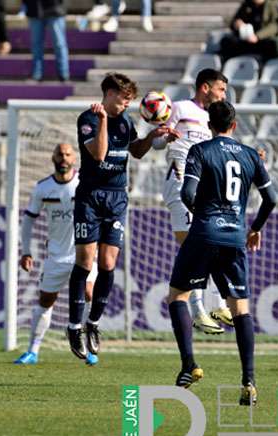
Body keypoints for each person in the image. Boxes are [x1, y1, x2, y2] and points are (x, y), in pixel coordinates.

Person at [167, 100, 276, 406]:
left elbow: (187, 193)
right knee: (240, 308)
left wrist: (201, 215)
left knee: (177, 296)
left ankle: (189, 365)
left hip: (203, 233)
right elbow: (271, 199)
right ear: (235, 125)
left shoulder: (200, 151)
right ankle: (249, 382)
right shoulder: (251, 155)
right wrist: (255, 228)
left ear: (208, 125)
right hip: (235, 237)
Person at [66, 73, 176, 360]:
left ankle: (93, 323)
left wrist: (152, 136)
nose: (128, 104)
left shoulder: (126, 122)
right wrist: (103, 121)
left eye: (130, 99)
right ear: (110, 93)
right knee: (85, 260)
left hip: (117, 198)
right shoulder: (88, 119)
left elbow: (136, 153)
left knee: (108, 262)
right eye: (124, 98)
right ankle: (74, 325)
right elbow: (99, 155)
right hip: (90, 196)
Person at [153, 68, 234, 335]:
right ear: (205, 87)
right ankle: (199, 311)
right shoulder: (179, 108)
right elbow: (157, 143)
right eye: (221, 89)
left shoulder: (212, 120)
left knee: (207, 246)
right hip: (179, 183)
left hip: (202, 187)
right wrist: (166, 137)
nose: (224, 95)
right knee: (196, 248)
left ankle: (217, 304)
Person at [15, 143, 98, 366]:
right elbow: (28, 220)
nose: (63, 158)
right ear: (53, 157)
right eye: (59, 154)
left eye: (68, 154)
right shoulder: (42, 188)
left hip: (84, 254)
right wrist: (26, 251)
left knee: (90, 292)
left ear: (74, 158)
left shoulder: (85, 182)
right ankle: (33, 351)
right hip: (56, 256)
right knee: (46, 301)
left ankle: (90, 348)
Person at [24, 0, 68, 82]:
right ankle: (37, 74)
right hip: (34, 9)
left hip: (55, 8)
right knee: (36, 45)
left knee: (59, 44)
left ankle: (64, 74)